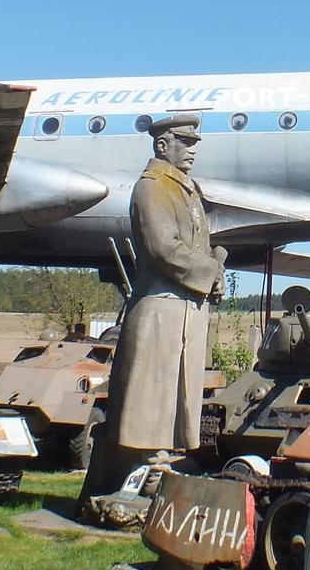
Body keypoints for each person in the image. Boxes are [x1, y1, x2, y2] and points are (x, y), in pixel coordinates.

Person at [80, 112, 226, 504]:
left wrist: (214, 273)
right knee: (151, 397)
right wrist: (209, 270)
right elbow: (164, 249)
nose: (193, 149)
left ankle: (162, 464)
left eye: (195, 143)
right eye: (185, 141)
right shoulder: (152, 188)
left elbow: (194, 247)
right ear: (163, 145)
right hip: (160, 308)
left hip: (185, 309)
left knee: (178, 394)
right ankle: (144, 469)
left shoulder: (185, 189)